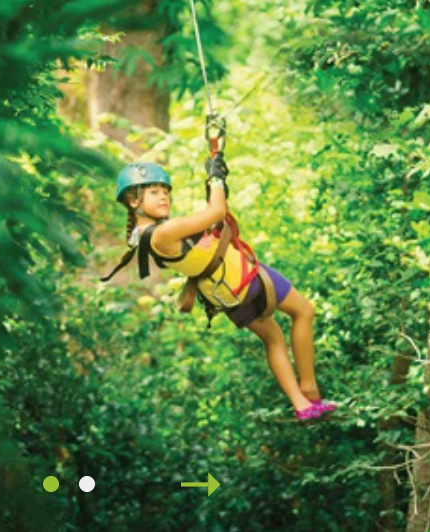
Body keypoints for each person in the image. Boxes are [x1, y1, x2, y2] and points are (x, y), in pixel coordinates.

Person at [106, 160, 337, 421]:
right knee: (304, 311)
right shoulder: (163, 232)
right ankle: (310, 388)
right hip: (244, 277)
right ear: (133, 201)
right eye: (154, 192)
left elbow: (202, 229)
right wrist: (216, 178)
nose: (164, 197)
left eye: (165, 191)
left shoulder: (146, 235)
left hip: (224, 293)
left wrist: (214, 188)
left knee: (273, 339)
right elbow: (217, 212)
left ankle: (302, 405)